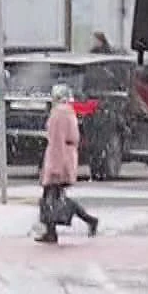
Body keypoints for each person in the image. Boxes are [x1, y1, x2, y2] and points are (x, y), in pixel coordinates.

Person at [38, 84, 100, 243]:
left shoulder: (59, 113)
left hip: (59, 159)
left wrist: (55, 168)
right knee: (53, 196)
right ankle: (52, 230)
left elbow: (57, 140)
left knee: (51, 196)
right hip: (66, 156)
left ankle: (85, 221)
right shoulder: (68, 111)